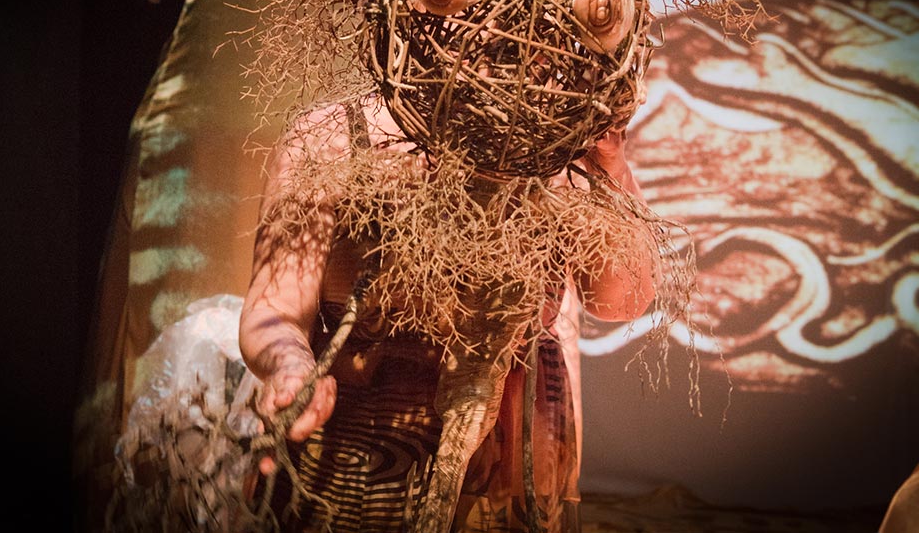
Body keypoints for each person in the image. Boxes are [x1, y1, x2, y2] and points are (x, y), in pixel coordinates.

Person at [238, 91, 655, 532]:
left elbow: (622, 301)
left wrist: (609, 165)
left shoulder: (563, 148)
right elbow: (275, 308)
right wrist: (291, 366)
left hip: (507, 459)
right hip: (358, 449)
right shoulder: (333, 134)